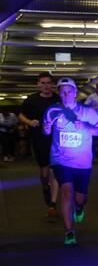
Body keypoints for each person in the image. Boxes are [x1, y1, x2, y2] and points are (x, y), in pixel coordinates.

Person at [43, 78, 98, 245]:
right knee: (67, 191)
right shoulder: (53, 110)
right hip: (60, 159)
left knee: (80, 197)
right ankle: (69, 231)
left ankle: (79, 207)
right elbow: (46, 130)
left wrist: (85, 127)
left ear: (75, 93)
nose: (66, 95)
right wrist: (46, 128)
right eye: (62, 92)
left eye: (69, 91)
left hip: (82, 162)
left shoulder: (87, 111)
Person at [18, 72, 60, 217]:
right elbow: (21, 115)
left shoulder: (58, 99)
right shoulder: (31, 100)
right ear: (38, 84)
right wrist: (29, 122)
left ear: (52, 84)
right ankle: (45, 187)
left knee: (55, 170)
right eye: (42, 83)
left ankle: (53, 204)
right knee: (44, 172)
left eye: (48, 83)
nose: (46, 86)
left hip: (57, 141)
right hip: (39, 140)